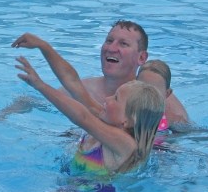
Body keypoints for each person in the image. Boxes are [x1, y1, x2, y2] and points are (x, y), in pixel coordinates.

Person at [10, 20, 189, 126]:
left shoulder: (158, 100)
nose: (112, 48)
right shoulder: (86, 89)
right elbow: (38, 100)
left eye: (123, 44)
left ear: (141, 57)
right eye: (109, 40)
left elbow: (187, 135)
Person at [15, 55, 165, 173]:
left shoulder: (126, 144)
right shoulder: (106, 120)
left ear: (127, 120)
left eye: (116, 98)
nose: (107, 98)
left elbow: (82, 117)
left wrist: (41, 86)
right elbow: (74, 84)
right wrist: (43, 47)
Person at [138, 59, 190, 129]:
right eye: (143, 88)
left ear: (167, 94)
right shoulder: (125, 110)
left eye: (154, 91)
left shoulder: (173, 121)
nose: (147, 95)